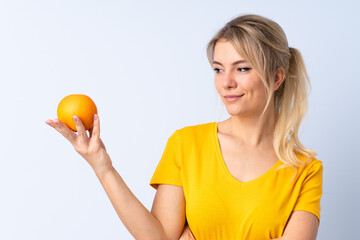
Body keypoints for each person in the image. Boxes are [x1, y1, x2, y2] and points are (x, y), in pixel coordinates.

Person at [45, 14, 323, 240]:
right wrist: (101, 165)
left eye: (242, 68)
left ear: (276, 78)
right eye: (218, 69)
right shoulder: (186, 144)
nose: (226, 82)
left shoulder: (305, 169)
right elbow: (158, 237)